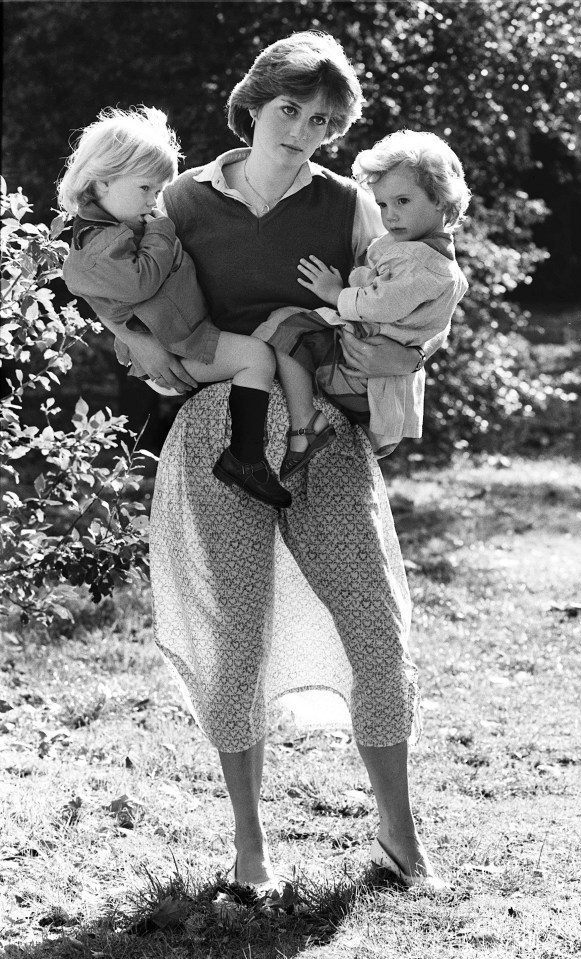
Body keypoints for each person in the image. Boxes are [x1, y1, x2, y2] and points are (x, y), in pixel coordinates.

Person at [120, 31, 448, 892]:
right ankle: (248, 849)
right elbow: (127, 294)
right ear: (255, 104)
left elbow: (412, 316)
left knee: (376, 629)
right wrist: (134, 341)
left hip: (324, 438)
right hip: (215, 433)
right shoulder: (182, 200)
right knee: (238, 641)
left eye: (322, 119)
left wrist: (377, 376)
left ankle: (399, 837)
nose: (302, 129)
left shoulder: (350, 207)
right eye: (289, 109)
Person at [57, 106, 291, 509]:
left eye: (158, 191)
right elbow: (141, 280)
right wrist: (162, 229)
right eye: (146, 189)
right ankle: (246, 459)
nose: (154, 201)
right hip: (177, 344)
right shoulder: (101, 241)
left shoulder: (114, 225)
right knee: (257, 357)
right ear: (103, 182)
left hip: (180, 334)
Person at [255, 129, 470, 464]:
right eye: (383, 204)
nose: (390, 215)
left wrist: (335, 293)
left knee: (285, 326)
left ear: (441, 199)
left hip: (361, 375)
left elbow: (379, 304)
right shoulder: (428, 256)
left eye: (403, 201)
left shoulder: (419, 261)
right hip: (372, 374)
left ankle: (305, 423)